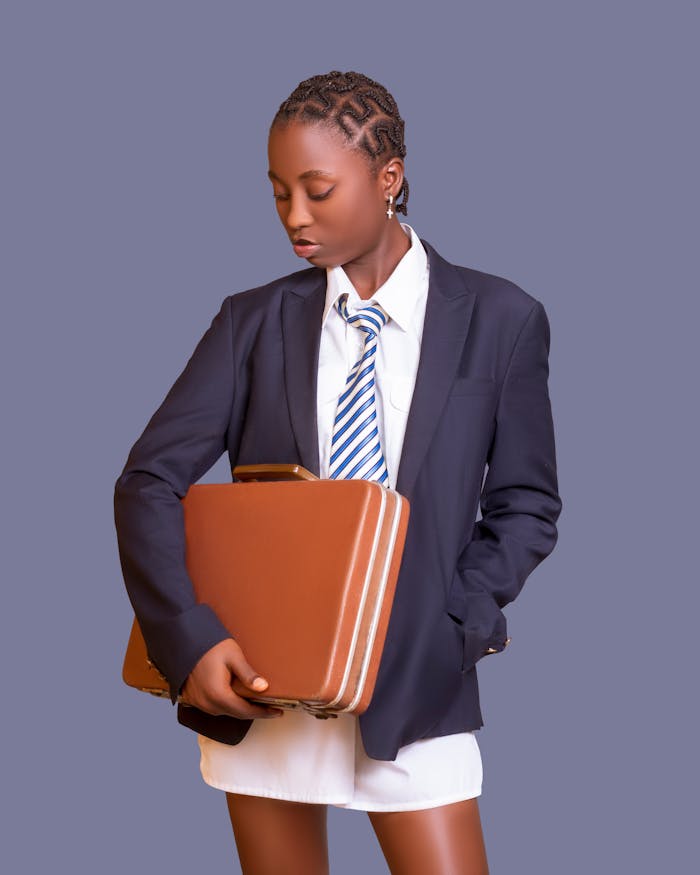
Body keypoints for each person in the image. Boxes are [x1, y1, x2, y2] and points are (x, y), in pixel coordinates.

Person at [114, 70, 562, 875]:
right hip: (263, 678)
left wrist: (453, 623)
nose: (294, 215)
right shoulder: (251, 321)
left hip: (417, 685)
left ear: (387, 179)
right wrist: (190, 637)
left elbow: (526, 502)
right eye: (278, 191)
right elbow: (147, 480)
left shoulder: (501, 318)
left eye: (318, 190)